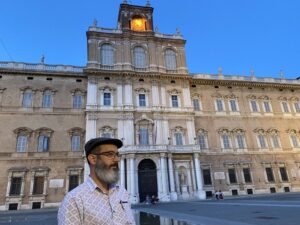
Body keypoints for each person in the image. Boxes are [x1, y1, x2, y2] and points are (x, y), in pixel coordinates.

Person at [58, 137, 135, 225]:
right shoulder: (74, 200)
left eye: (117, 154)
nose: (117, 159)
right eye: (110, 154)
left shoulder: (122, 192)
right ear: (93, 159)